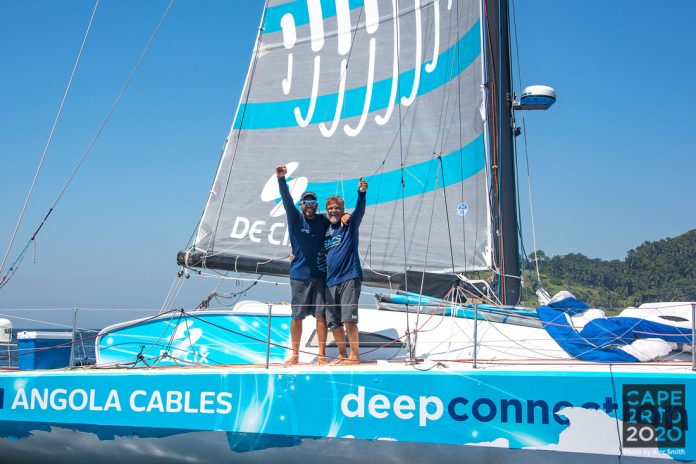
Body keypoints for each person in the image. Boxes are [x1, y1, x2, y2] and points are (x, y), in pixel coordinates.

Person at [275, 165, 349, 365]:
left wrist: (343, 215)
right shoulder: (295, 218)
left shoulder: (323, 220)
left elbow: (336, 221)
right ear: (301, 205)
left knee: (320, 316)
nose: (309, 205)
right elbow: (286, 199)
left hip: (319, 276)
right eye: (306, 201)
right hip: (299, 276)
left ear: (317, 205)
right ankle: (296, 355)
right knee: (297, 316)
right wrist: (281, 179)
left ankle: (322, 355)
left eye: (313, 202)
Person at [324, 177, 368, 365]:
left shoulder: (349, 224)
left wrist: (361, 193)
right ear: (327, 211)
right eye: (331, 208)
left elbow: (359, 211)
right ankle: (342, 353)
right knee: (334, 322)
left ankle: (354, 355)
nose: (334, 211)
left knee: (349, 319)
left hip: (349, 277)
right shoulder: (325, 230)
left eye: (337, 208)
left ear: (342, 210)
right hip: (330, 282)